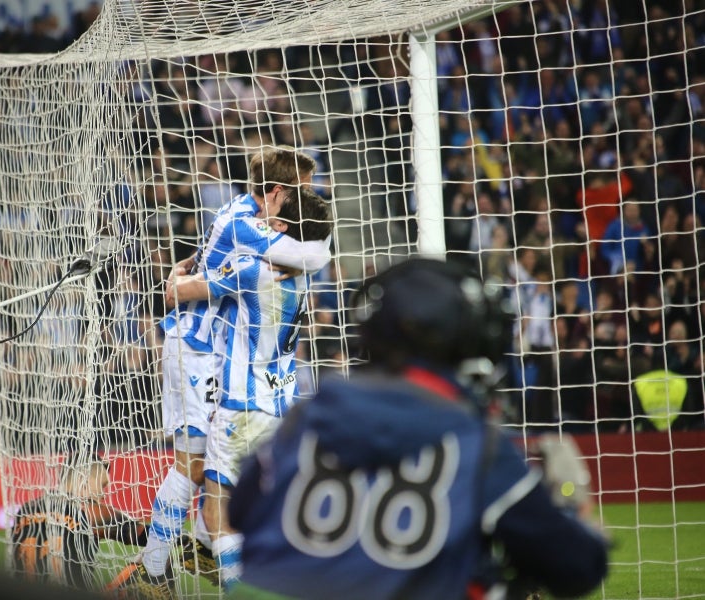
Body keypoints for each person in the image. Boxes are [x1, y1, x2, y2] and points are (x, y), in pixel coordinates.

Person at [227, 258, 609, 599]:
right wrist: (575, 505)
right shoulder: (474, 442)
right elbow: (577, 569)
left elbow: (241, 511)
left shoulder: (305, 420)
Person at [111, 147, 330, 597]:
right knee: (194, 467)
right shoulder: (245, 227)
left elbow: (304, 247)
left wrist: (182, 279)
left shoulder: (254, 236)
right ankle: (155, 570)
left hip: (227, 367)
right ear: (277, 193)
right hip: (196, 347)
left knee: (214, 482)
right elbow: (314, 254)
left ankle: (201, 547)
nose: (304, 197)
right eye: (301, 191)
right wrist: (176, 284)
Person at [167, 187, 334, 590]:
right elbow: (320, 248)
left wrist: (175, 274)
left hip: (241, 406)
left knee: (218, 517)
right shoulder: (306, 274)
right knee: (257, 515)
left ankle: (234, 587)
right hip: (282, 408)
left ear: (280, 227)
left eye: (271, 215)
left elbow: (177, 293)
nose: (262, 219)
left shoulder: (248, 268)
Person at [11, 457, 149, 591]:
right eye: (102, 485)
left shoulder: (25, 510)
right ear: (83, 481)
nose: (103, 494)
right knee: (152, 557)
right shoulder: (89, 512)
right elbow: (148, 535)